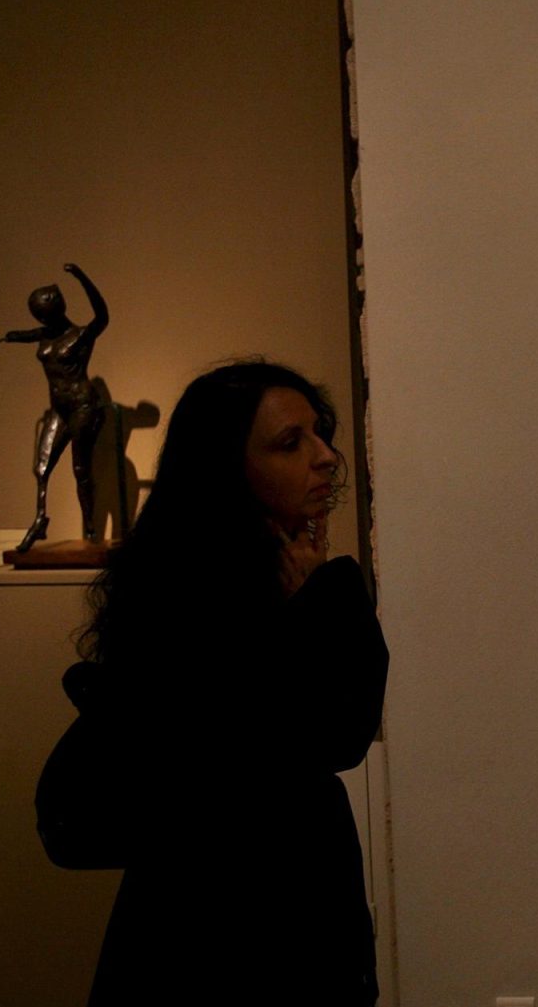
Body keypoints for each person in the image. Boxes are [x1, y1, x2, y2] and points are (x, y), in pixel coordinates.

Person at [78, 360, 387, 1004]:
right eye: (290, 443)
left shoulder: (287, 577)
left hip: (274, 908)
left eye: (319, 433)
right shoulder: (190, 598)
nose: (326, 457)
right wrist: (318, 604)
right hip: (221, 926)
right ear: (228, 467)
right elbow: (333, 734)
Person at [0, 263, 110, 551]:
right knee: (41, 468)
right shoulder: (45, 336)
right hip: (59, 409)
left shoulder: (80, 335)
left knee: (80, 469)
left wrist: (81, 276)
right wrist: (12, 336)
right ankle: (40, 520)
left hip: (82, 406)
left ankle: (91, 529)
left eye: (43, 314)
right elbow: (31, 334)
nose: (41, 320)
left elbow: (102, 316)